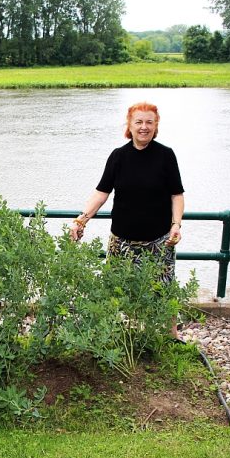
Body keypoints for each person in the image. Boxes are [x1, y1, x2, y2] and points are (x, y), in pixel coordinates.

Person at [70, 101, 184, 336]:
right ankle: (112, 338)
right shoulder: (118, 156)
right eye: (139, 122)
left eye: (149, 122)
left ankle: (170, 341)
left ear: (156, 125)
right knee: (115, 292)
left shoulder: (166, 155)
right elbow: (102, 193)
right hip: (121, 242)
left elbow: (177, 195)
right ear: (129, 125)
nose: (144, 127)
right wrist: (82, 220)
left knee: (163, 292)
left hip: (159, 243)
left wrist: (176, 226)